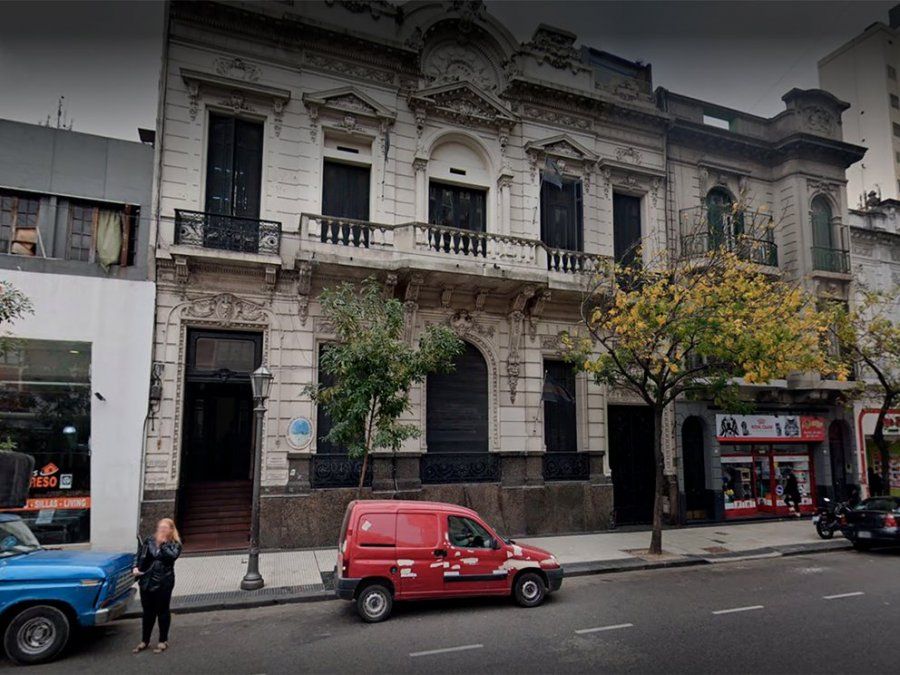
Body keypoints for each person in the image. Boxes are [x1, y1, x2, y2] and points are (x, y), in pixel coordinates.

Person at [133, 518, 182, 654]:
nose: (162, 530)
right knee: (147, 612)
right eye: (160, 527)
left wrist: (163, 544)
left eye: (165, 528)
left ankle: (162, 640)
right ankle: (145, 640)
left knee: (162, 611)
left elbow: (171, 556)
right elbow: (141, 555)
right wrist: (135, 567)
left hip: (164, 581)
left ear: (171, 530)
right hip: (147, 580)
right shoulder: (149, 540)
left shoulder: (174, 544)